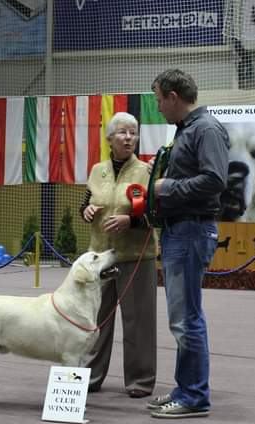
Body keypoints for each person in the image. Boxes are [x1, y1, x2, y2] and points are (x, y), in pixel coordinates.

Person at [147, 69, 230, 418]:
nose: (158, 108)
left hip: (191, 230)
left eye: (159, 101)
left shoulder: (205, 128)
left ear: (173, 97)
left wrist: (167, 187)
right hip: (179, 230)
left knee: (186, 319)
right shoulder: (187, 130)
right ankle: (185, 388)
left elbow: (215, 180)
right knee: (182, 318)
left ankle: (194, 396)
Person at [79, 112, 158, 399]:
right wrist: (86, 212)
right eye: (123, 133)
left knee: (138, 321)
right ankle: (90, 376)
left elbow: (156, 213)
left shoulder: (148, 171)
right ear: (110, 138)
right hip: (100, 257)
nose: (128, 138)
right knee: (96, 320)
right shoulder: (97, 170)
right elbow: (86, 204)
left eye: (133, 133)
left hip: (135, 256)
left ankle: (140, 380)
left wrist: (131, 221)